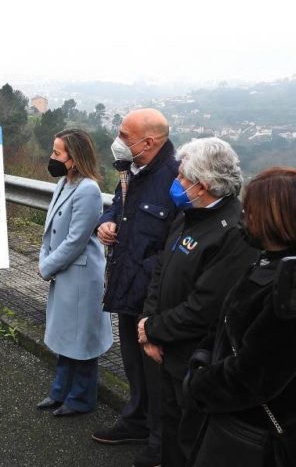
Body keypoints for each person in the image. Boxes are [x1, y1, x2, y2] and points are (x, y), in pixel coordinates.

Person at [186, 167, 296, 467]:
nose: (244, 218)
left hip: (256, 436)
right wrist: (203, 355)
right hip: (241, 424)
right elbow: (227, 322)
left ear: (274, 217)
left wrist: (198, 384)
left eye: (250, 211)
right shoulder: (276, 261)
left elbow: (256, 375)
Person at [137, 137, 259, 466]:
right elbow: (162, 270)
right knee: (170, 434)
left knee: (191, 441)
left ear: (202, 186)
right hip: (165, 348)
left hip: (194, 360)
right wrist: (148, 324)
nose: (175, 183)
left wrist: (154, 330)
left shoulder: (233, 232)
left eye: (181, 178)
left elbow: (206, 306)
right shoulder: (190, 213)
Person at [91, 108, 179, 467]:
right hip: (127, 285)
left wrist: (152, 281)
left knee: (158, 373)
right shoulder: (130, 172)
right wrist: (106, 224)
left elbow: (176, 242)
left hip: (155, 296)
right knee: (134, 365)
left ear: (150, 142)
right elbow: (116, 208)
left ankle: (161, 444)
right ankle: (136, 420)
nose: (118, 141)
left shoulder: (176, 178)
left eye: (125, 135)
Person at [36, 128, 113, 417]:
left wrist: (46, 265)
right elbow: (51, 230)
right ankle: (60, 392)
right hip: (66, 272)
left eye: (57, 153)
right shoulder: (64, 183)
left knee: (82, 339)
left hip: (81, 275)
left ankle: (81, 398)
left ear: (75, 157)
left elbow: (75, 240)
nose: (52, 158)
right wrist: (46, 257)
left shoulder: (88, 190)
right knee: (67, 335)